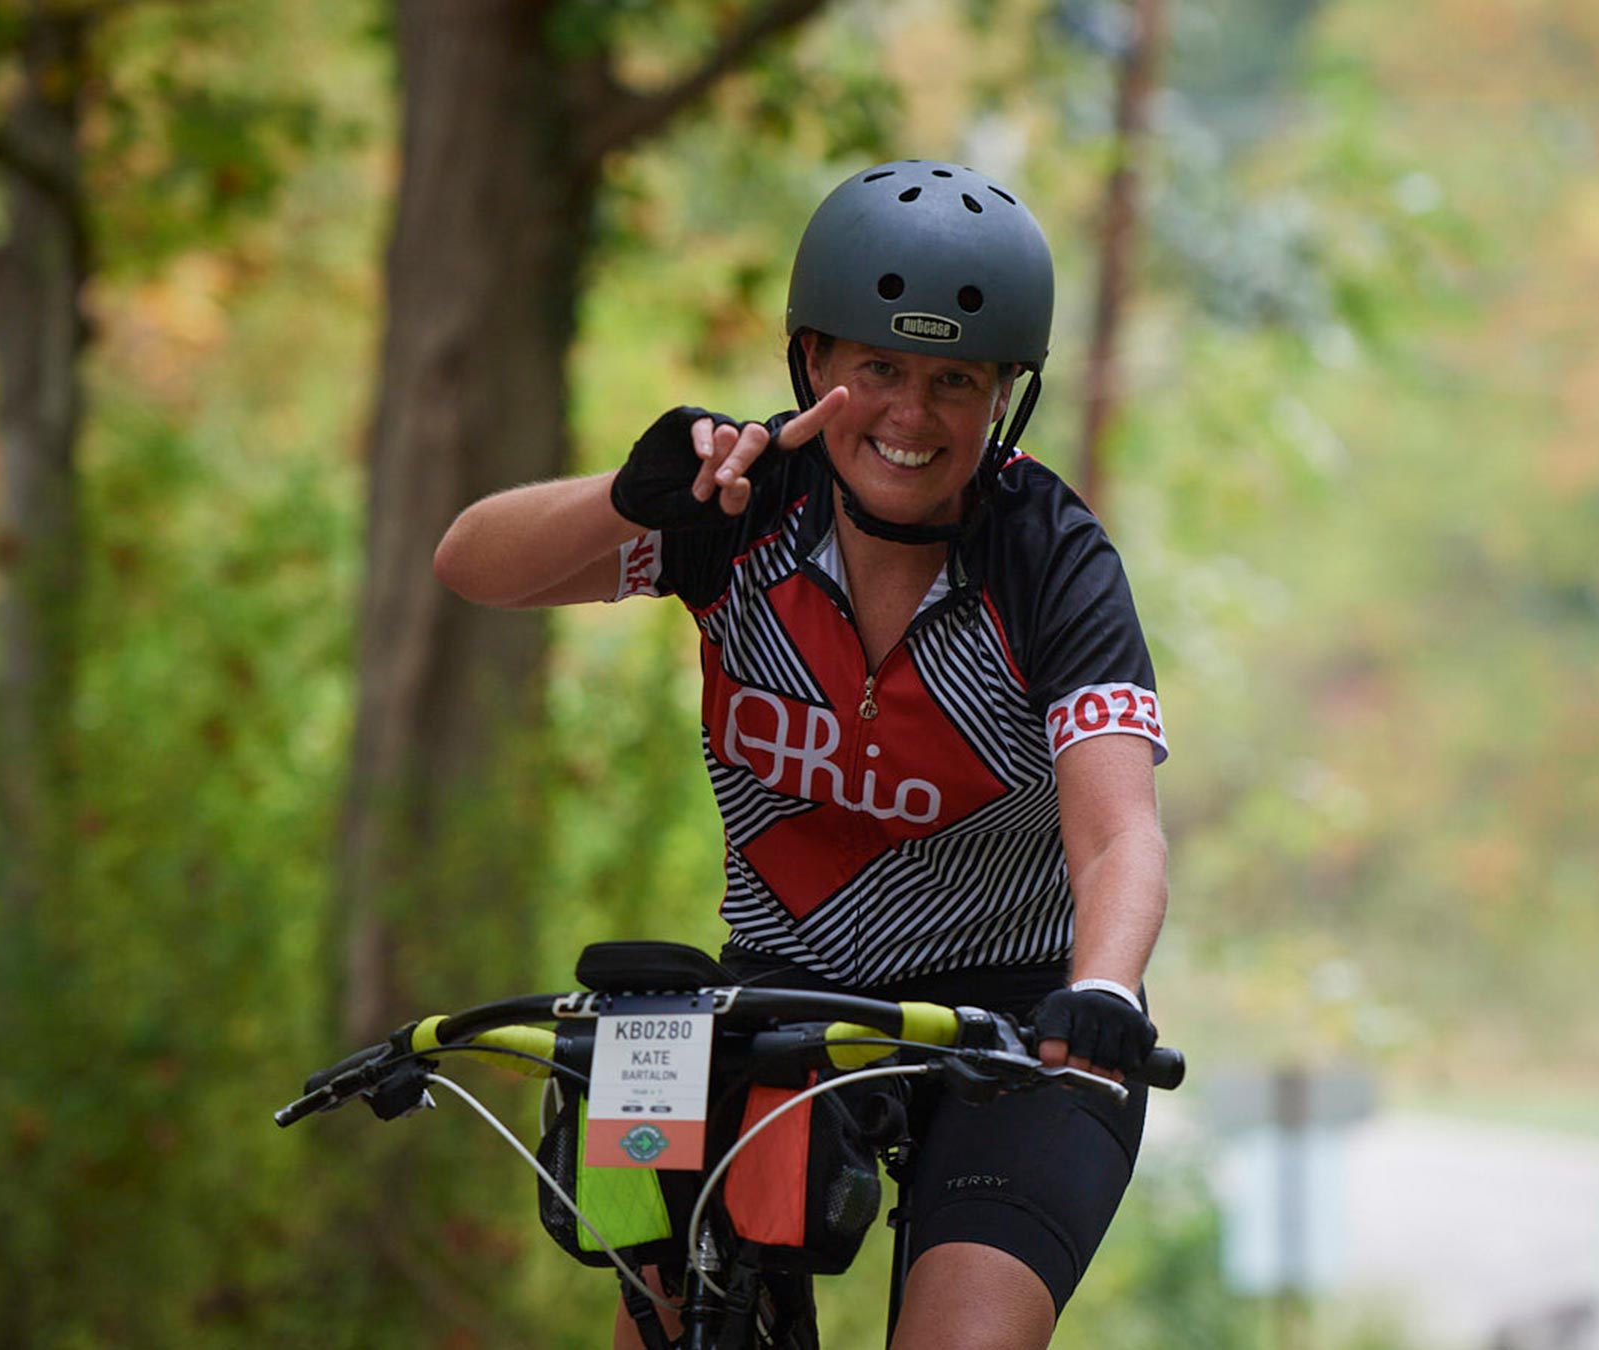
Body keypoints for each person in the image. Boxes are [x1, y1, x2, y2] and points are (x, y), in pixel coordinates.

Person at [433, 159, 1168, 1350]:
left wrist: (1105, 989)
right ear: (814, 364)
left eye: (954, 382)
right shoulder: (742, 510)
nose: (911, 416)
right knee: (663, 1325)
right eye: (879, 367)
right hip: (776, 993)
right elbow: (471, 564)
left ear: (1002, 400)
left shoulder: (1049, 558)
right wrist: (630, 497)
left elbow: (1118, 829)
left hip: (1017, 1017)